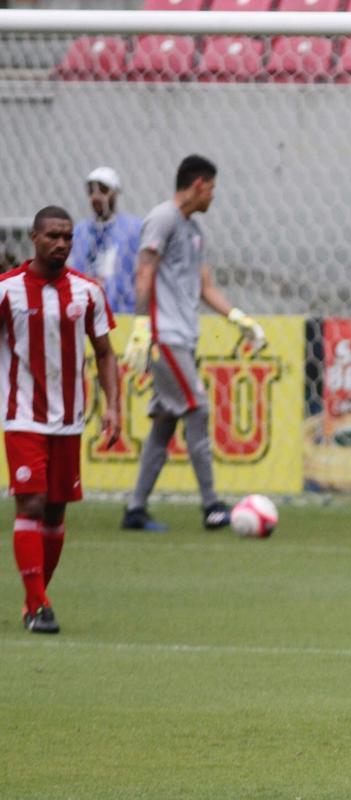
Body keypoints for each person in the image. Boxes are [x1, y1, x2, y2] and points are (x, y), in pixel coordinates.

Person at [120, 155, 267, 532]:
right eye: (213, 188)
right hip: (164, 335)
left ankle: (135, 509)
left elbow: (206, 288)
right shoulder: (163, 218)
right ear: (199, 184)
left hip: (182, 336)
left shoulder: (194, 230)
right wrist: (141, 326)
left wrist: (238, 318)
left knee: (165, 423)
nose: (213, 197)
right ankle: (212, 506)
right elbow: (144, 272)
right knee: (198, 408)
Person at [2, 206, 121, 634]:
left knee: (54, 513)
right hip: (22, 416)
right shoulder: (7, 290)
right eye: (53, 235)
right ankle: (38, 605)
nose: (61, 244)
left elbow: (106, 353)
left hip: (69, 420)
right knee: (30, 503)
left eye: (68, 237)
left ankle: (36, 597)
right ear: (34, 237)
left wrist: (113, 407)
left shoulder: (87, 292)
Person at [68, 166, 143, 313]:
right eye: (91, 191)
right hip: (86, 311)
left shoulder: (133, 228)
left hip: (123, 312)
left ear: (115, 193)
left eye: (102, 190)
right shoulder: (80, 231)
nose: (96, 197)